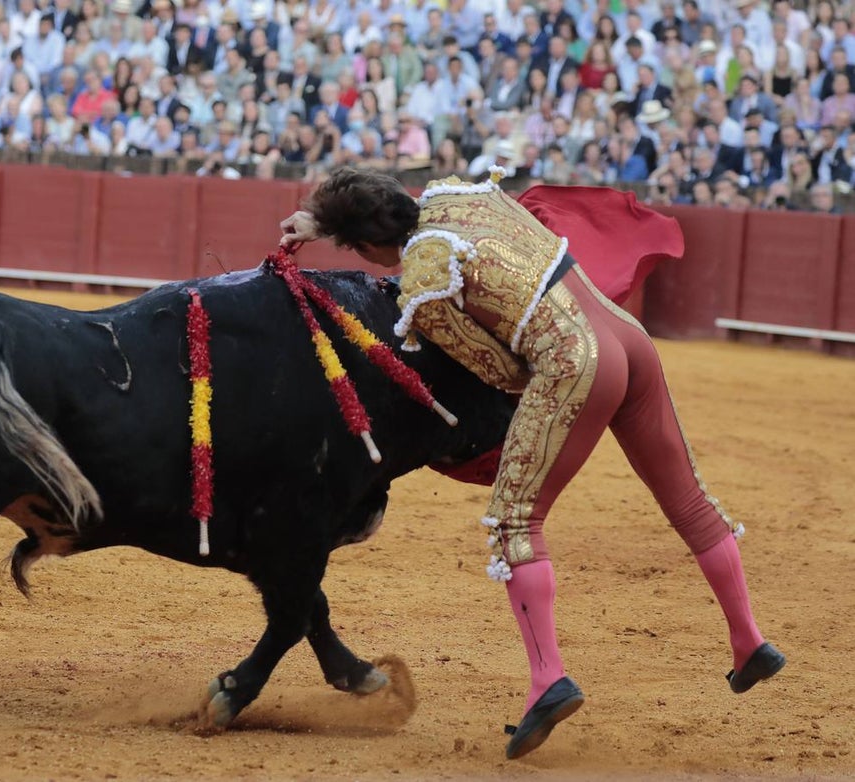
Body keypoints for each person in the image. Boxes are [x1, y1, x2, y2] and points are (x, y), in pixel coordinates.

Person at [277, 167, 785, 760]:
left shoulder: (424, 273)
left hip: (575, 364)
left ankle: (549, 679)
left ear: (364, 247)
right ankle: (749, 640)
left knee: (516, 521)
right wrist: (322, 218)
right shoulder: (459, 194)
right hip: (627, 337)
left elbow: (502, 372)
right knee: (688, 500)